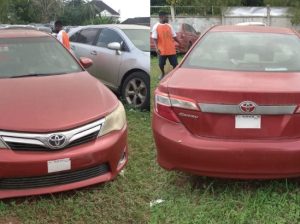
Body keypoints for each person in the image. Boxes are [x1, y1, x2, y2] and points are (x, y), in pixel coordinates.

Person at [151, 11, 180, 80]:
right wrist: (156, 48)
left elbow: (174, 36)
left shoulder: (169, 26)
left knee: (175, 64)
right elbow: (154, 38)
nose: (168, 18)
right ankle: (162, 73)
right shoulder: (156, 26)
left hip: (171, 50)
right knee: (161, 64)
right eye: (166, 17)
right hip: (162, 50)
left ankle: (174, 75)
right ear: (161, 17)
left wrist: (179, 42)